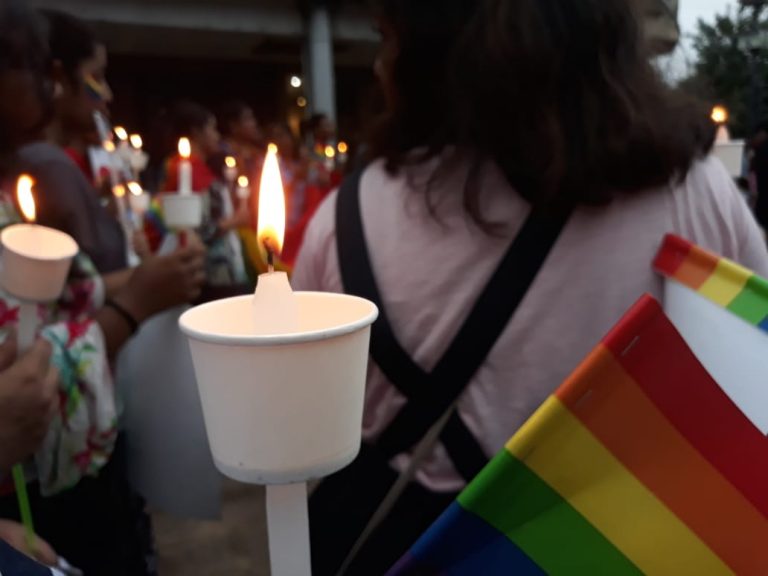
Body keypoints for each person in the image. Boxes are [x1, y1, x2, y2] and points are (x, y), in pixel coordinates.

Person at [293, 0, 768, 574]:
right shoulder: (698, 192)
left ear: (434, 51)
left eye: (387, 37)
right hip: (629, 549)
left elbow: (303, 436)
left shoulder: (343, 221)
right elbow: (748, 389)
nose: (378, 65)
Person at [1, 6, 206, 575]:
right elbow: (31, 348)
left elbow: (60, 295)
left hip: (77, 458)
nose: (58, 86)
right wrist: (136, 302)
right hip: (40, 476)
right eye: (43, 69)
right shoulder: (48, 168)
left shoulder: (26, 171)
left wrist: (146, 281)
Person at [162, 100, 248, 287]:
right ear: (196, 132)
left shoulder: (201, 169)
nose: (217, 136)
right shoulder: (186, 171)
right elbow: (197, 229)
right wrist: (236, 220)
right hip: (209, 273)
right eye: (212, 129)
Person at [217, 99, 264, 177]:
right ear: (233, 125)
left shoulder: (256, 152)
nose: (254, 123)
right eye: (248, 119)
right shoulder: (222, 152)